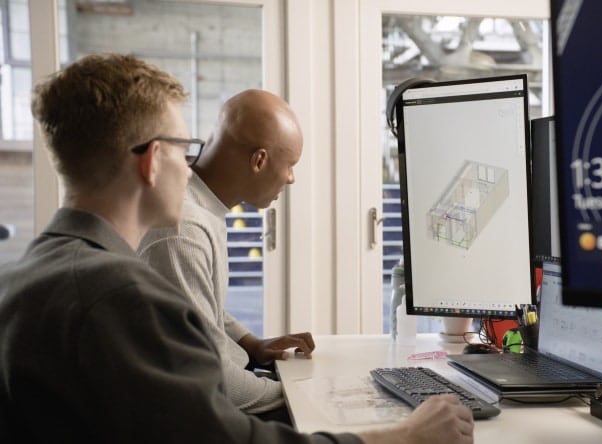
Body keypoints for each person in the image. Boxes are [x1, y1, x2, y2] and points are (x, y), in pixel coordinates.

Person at [0, 53, 474, 444]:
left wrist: (250, 346)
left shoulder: (27, 276)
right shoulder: (118, 295)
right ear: (152, 160)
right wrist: (404, 437)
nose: (190, 168)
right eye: (183, 146)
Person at [138, 89, 312, 420]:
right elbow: (217, 382)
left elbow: (200, 306)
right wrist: (302, 395)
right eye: (290, 165)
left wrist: (252, 344)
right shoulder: (183, 229)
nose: (291, 178)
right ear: (259, 160)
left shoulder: (201, 207)